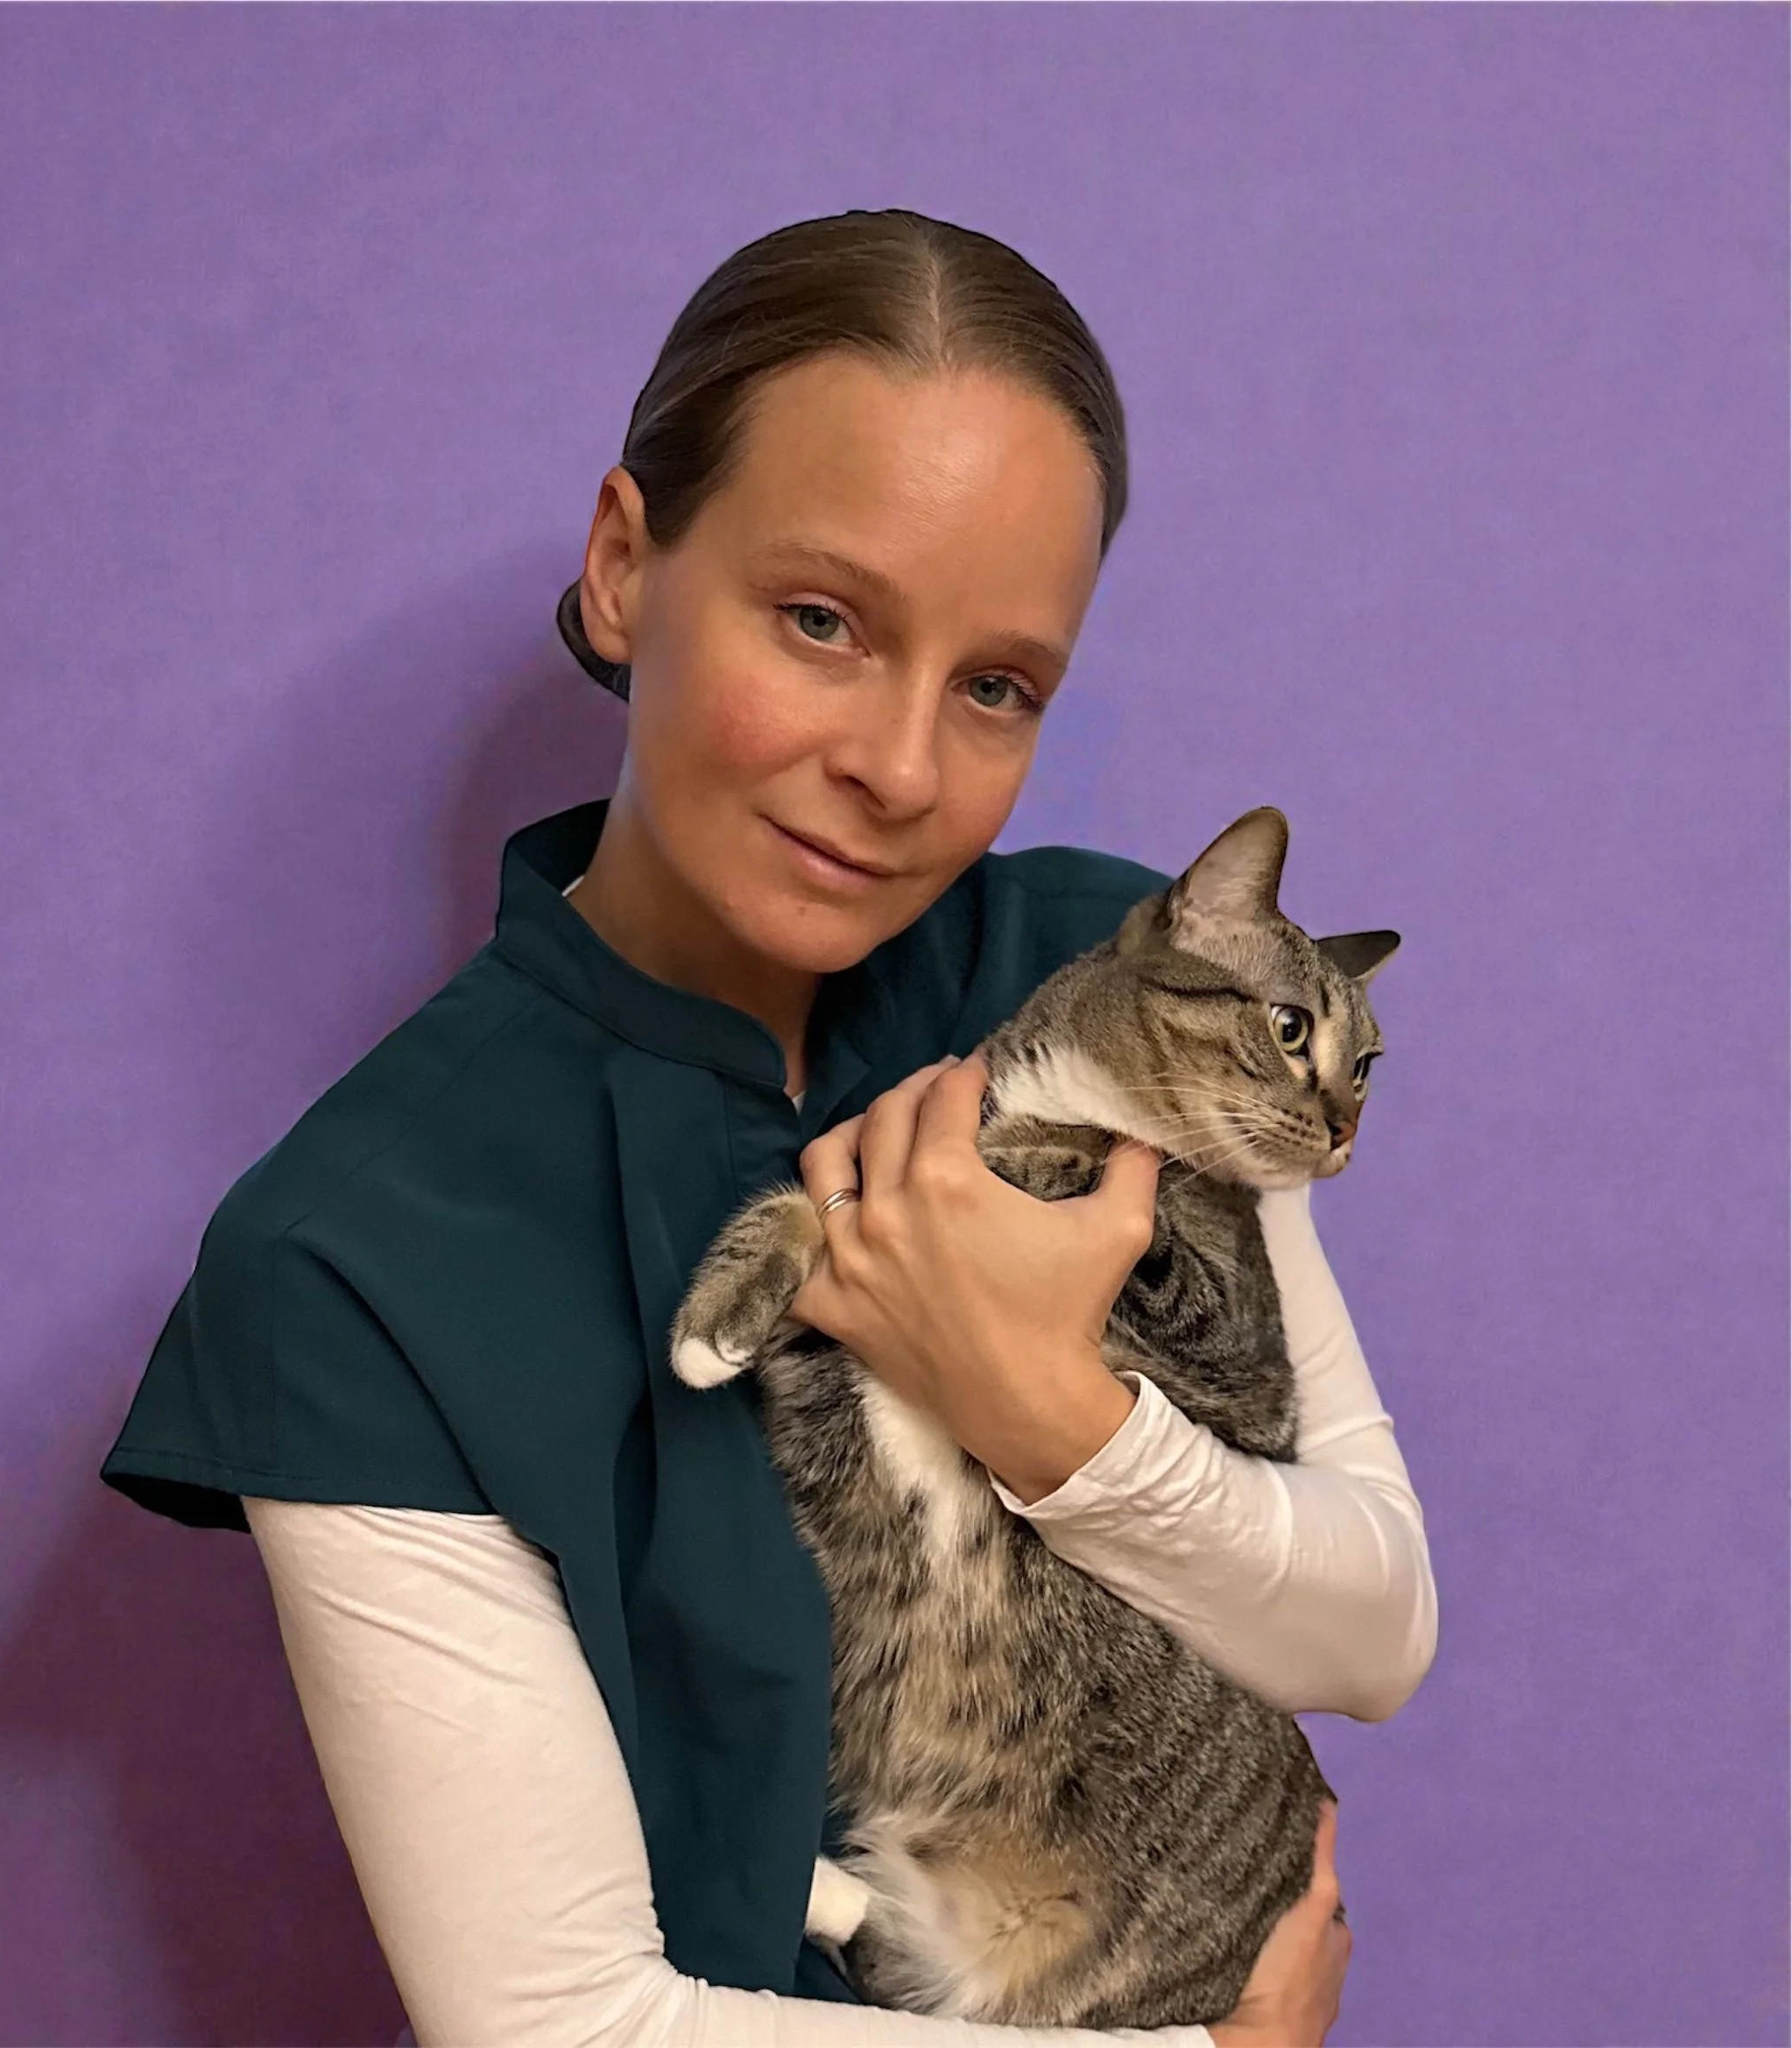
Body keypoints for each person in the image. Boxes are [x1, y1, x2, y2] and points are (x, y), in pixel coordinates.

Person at [100, 208, 1436, 2047]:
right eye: (821, 621)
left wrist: (1043, 1407)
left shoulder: (1108, 981)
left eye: (995, 685)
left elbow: (1367, 1631)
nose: (898, 767)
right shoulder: (354, 1257)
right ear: (623, 565)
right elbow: (551, 2022)